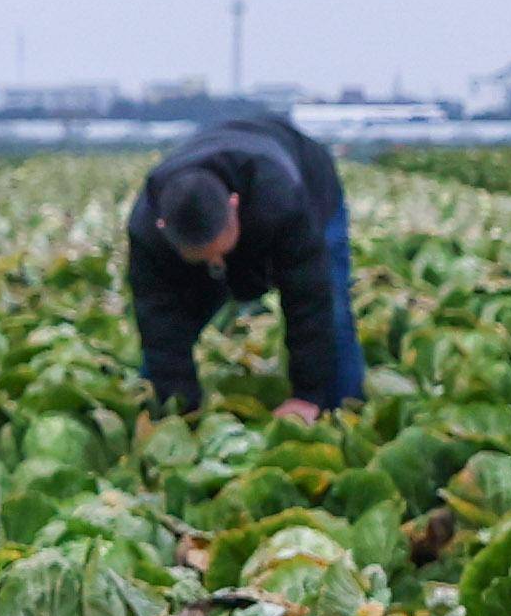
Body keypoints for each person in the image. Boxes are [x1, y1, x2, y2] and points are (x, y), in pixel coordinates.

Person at [127, 106, 361, 421]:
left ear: (234, 205)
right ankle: (164, 408)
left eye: (219, 251)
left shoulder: (279, 198)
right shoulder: (146, 230)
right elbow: (159, 324)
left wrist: (308, 395)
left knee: (333, 308)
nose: (216, 262)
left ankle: (341, 412)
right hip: (229, 181)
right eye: (203, 257)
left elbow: (308, 299)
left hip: (309, 180)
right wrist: (182, 417)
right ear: (163, 228)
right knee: (170, 327)